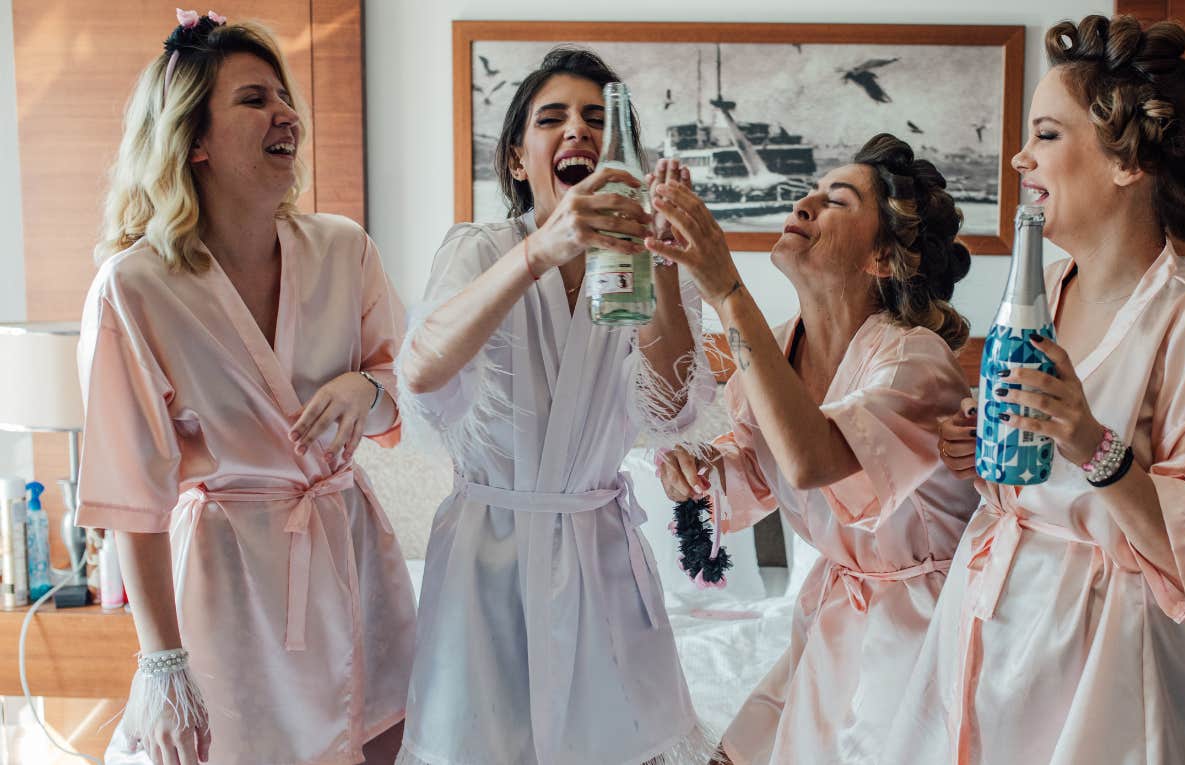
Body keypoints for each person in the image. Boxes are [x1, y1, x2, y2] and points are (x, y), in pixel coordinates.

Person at [882, 14, 1185, 764]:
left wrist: (1091, 441)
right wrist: (982, 445)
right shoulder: (1046, 288)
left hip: (1103, 654)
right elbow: (1031, 464)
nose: (1022, 156)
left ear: (1129, 161)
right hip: (989, 611)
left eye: (1048, 135)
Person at [77, 11, 415, 765]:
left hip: (350, 551)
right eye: (254, 98)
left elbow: (402, 392)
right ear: (193, 139)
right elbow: (133, 498)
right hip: (229, 584)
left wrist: (366, 388)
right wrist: (161, 663)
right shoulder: (134, 290)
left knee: (382, 737)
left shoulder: (343, 249)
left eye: (284, 96)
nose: (285, 113)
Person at [395, 47, 714, 765]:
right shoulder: (480, 251)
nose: (579, 130)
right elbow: (419, 371)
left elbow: (670, 411)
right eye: (554, 118)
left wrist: (662, 262)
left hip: (597, 555)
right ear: (517, 159)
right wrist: (544, 247)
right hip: (486, 563)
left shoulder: (646, 270)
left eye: (599, 119)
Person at [651, 133, 979, 765]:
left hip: (929, 629)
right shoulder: (771, 351)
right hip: (835, 618)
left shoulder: (914, 361)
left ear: (883, 257)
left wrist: (727, 289)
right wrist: (695, 472)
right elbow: (754, 471)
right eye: (812, 192)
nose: (804, 203)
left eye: (837, 200)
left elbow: (811, 459)